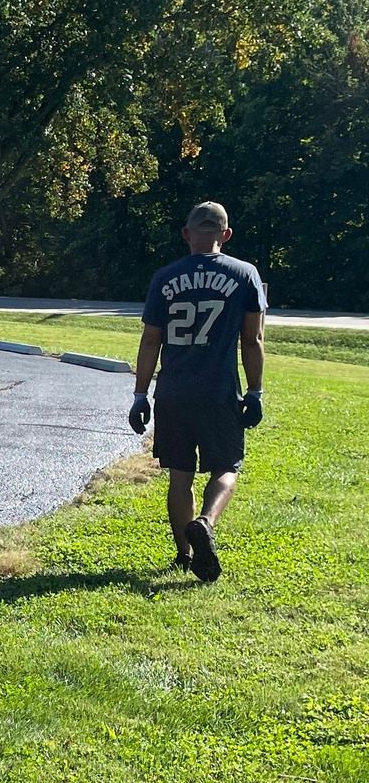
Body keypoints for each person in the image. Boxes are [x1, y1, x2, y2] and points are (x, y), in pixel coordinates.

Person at [129, 200, 266, 583]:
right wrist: (254, 391)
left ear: (187, 234)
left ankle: (184, 556)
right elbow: (252, 340)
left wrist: (141, 394)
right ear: (226, 235)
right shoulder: (245, 274)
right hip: (218, 391)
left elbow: (150, 338)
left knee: (179, 475)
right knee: (226, 467)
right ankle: (206, 521)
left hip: (172, 392)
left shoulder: (164, 277)